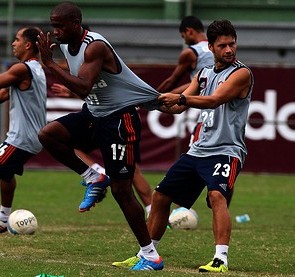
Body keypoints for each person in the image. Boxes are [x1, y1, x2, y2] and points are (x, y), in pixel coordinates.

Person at [114, 19, 254, 272]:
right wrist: (149, 102)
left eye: (232, 44)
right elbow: (180, 106)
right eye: (223, 45)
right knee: (160, 197)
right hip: (199, 150)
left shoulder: (241, 74)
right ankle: (147, 253)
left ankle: (220, 259)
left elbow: (213, 100)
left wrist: (179, 97)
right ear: (210, 47)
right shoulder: (203, 74)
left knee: (217, 195)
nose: (229, 50)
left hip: (226, 150)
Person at [36, 1, 162, 270]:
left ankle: (150, 254)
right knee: (49, 135)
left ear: (75, 23)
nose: (55, 30)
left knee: (122, 191)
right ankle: (93, 175)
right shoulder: (69, 46)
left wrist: (49, 64)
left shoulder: (95, 45)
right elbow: (87, 89)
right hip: (95, 115)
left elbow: (83, 86)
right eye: (53, 25)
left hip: (119, 119)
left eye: (60, 25)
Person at [51, 83, 152, 217]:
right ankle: (97, 174)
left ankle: (153, 211)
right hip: (97, 119)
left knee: (130, 172)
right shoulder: (93, 71)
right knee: (69, 143)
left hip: (120, 121)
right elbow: (97, 96)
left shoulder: (103, 66)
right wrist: (72, 93)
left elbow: (109, 95)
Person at [0, 27, 47, 233]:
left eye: (17, 39)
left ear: (28, 45)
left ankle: (2, 219)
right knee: (6, 173)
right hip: (30, 137)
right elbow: (2, 95)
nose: (13, 43)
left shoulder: (22, 69)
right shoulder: (36, 69)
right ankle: (3, 220)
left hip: (21, 138)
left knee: (4, 170)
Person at [157, 15, 213, 94]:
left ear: (189, 31)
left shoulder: (190, 52)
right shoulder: (217, 47)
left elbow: (171, 82)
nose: (185, 41)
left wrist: (154, 96)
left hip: (201, 101)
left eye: (183, 36)